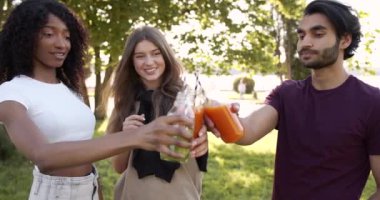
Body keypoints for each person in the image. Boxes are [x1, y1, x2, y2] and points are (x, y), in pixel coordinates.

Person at [0, 1, 194, 199]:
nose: (62, 44)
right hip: (54, 193)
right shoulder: (11, 92)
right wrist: (136, 136)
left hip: (90, 187)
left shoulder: (70, 91)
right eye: (49, 34)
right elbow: (43, 155)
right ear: (25, 36)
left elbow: (85, 151)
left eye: (67, 36)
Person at [209, 0, 380, 199]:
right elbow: (246, 132)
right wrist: (214, 109)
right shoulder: (287, 94)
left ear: (344, 40)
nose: (305, 42)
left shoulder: (373, 103)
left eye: (318, 34)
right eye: (301, 35)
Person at [106, 25, 209, 200]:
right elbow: (118, 167)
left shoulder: (188, 100)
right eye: (140, 56)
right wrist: (127, 137)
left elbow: (200, 152)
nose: (149, 62)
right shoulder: (125, 104)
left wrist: (202, 138)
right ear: (131, 61)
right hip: (134, 195)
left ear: (166, 55)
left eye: (156, 53)